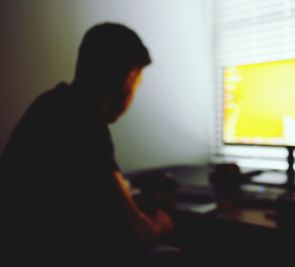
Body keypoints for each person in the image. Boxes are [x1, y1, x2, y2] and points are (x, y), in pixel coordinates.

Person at [0, 23, 175, 264]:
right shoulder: (87, 125)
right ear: (128, 78)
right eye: (138, 83)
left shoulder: (51, 105)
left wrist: (134, 204)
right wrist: (161, 221)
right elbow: (139, 232)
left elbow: (93, 199)